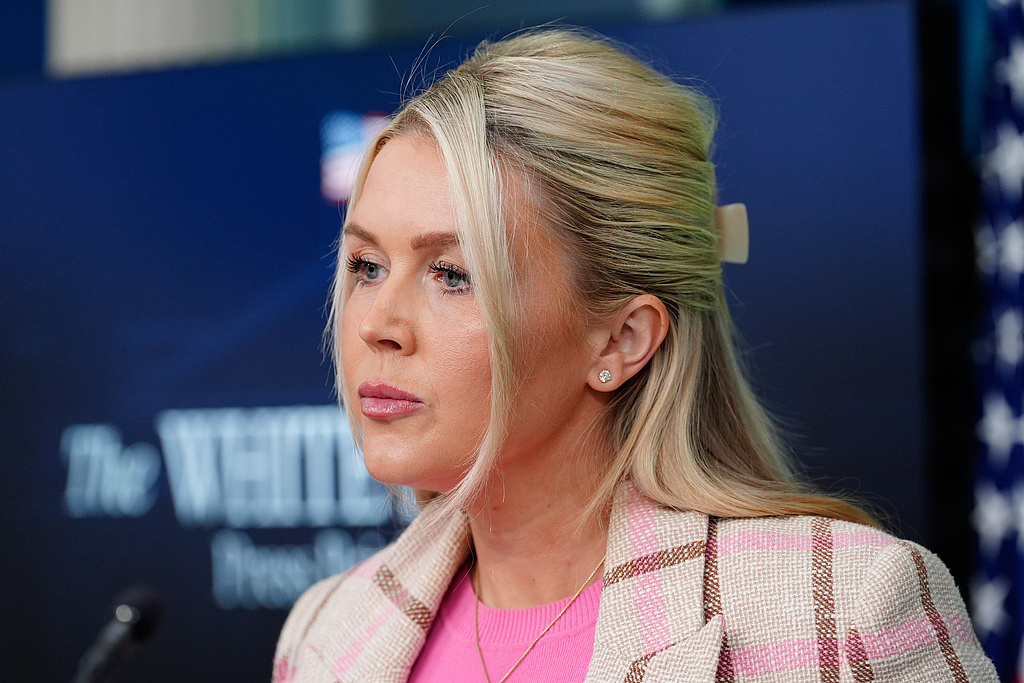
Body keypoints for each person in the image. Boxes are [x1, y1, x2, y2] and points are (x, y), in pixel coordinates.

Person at [274, 28, 997, 682]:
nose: (377, 325)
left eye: (452, 274)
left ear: (623, 338)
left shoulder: (844, 613)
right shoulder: (323, 634)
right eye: (367, 265)